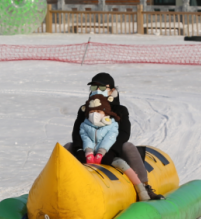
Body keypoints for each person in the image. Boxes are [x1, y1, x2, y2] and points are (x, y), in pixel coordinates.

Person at [65, 72, 165, 201]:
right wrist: (79, 150)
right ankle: (55, 185)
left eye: (102, 88)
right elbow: (77, 131)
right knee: (67, 147)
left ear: (112, 91)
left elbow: (124, 133)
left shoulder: (120, 110)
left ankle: (145, 186)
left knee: (128, 146)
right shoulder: (85, 109)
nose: (97, 91)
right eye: (94, 88)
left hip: (110, 148)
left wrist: (112, 151)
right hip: (88, 146)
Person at [79, 94, 119, 164]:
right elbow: (85, 138)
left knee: (120, 163)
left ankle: (135, 175)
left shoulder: (112, 124)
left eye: (98, 111)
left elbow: (110, 138)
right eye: (91, 112)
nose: (94, 114)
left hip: (107, 152)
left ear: (105, 113)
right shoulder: (84, 125)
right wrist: (89, 152)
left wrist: (101, 152)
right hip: (89, 153)